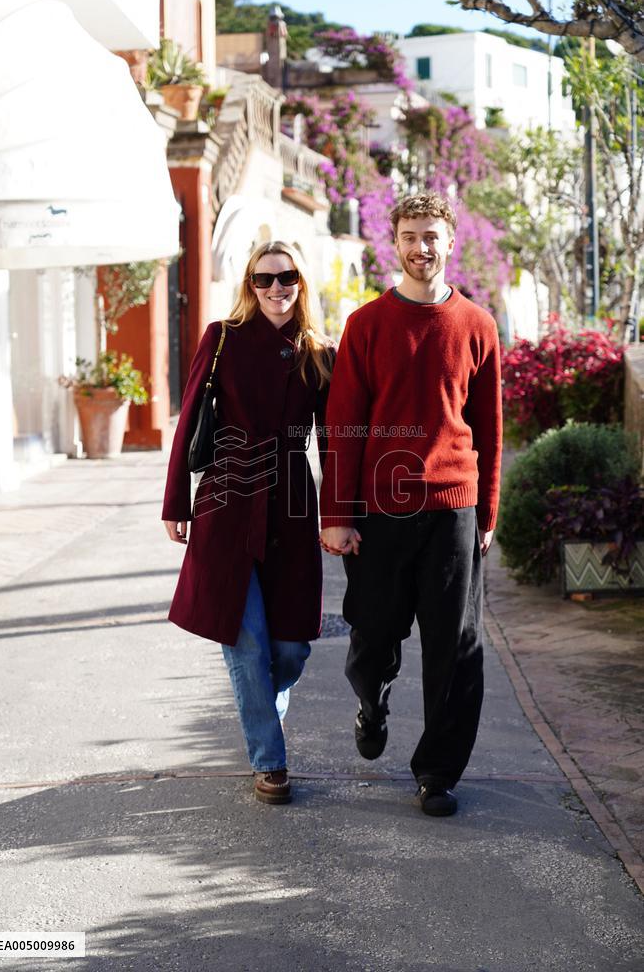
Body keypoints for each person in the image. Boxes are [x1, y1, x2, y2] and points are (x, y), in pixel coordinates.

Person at [319, 193, 502, 817]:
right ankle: (372, 702)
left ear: (450, 242)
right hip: (381, 510)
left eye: (431, 236)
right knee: (373, 635)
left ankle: (437, 774)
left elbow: (489, 428)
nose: (421, 246)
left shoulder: (477, 325)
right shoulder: (366, 325)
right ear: (393, 243)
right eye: (410, 236)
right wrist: (337, 516)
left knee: (456, 646)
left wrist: (487, 513)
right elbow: (343, 426)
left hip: (453, 507)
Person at [162, 241, 334, 805]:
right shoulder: (221, 339)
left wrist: (340, 514)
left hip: (292, 503)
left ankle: (264, 708)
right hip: (227, 503)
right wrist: (175, 502)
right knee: (247, 642)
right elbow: (189, 420)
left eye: (287, 277)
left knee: (291, 648)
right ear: (250, 285)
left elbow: (333, 442)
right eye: (264, 279)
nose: (276, 289)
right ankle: (269, 761)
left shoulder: (319, 353)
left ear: (301, 283)